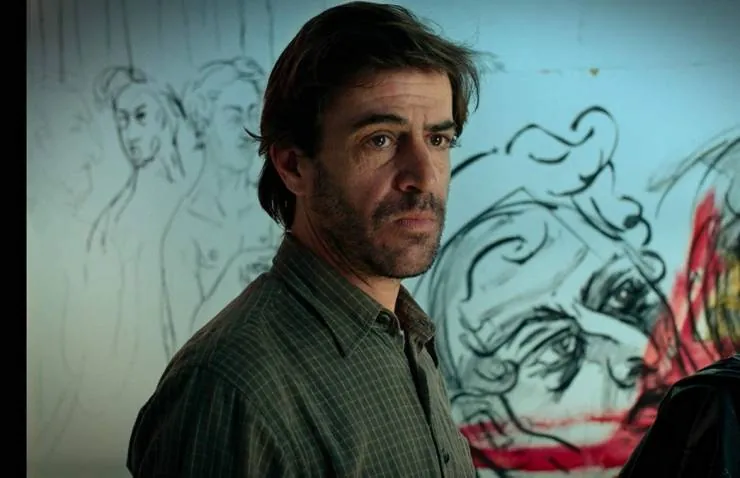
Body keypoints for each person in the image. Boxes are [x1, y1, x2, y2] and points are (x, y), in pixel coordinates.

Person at [126, 2, 481, 477]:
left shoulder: (404, 333)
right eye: (380, 139)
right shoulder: (230, 390)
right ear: (294, 166)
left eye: (438, 140)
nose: (423, 175)